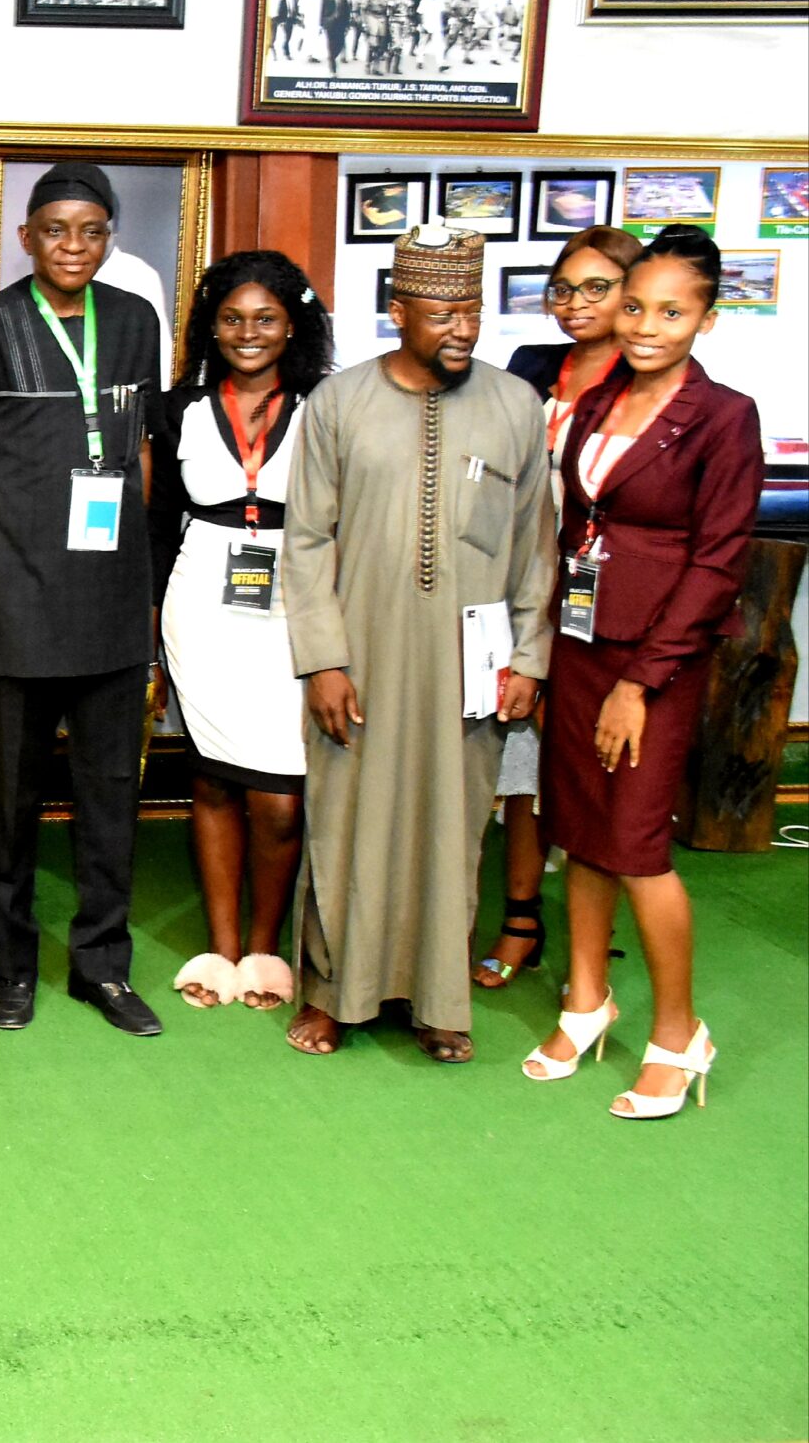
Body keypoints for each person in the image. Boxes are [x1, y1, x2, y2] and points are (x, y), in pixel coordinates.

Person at [282, 227, 555, 1063]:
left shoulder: (516, 405)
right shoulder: (339, 403)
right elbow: (307, 541)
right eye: (442, 313)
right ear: (397, 312)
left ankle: (439, 1000)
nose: (461, 329)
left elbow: (535, 543)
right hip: (361, 656)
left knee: (452, 825)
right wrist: (323, 660)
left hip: (469, 666)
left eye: (471, 310)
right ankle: (334, 994)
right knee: (346, 821)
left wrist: (531, 657)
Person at [524, 228, 762, 1119]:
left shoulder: (725, 416)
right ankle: (586, 1001)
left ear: (707, 318)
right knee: (580, 827)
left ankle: (678, 1034)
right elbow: (573, 526)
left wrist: (641, 680)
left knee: (635, 845)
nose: (646, 326)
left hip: (654, 658)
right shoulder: (597, 398)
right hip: (580, 640)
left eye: (671, 312)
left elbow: (719, 562)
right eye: (634, 307)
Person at [0, 160, 162, 1038]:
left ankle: (103, 968)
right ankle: (15, 968)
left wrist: (142, 577)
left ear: (109, 239)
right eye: (56, 230)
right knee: (13, 802)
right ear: (26, 237)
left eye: (91, 231)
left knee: (111, 800)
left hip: (111, 601)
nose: (74, 246)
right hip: (17, 603)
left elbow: (137, 450)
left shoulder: (134, 321)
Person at [148, 252, 332, 1012]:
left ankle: (266, 944)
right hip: (200, 600)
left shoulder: (327, 405)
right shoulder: (177, 410)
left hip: (297, 602)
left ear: (293, 325)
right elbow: (160, 520)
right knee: (215, 777)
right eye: (231, 319)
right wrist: (149, 623)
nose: (247, 333)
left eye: (264, 319)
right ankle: (223, 950)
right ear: (210, 327)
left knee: (280, 795)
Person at [477, 224, 641, 990]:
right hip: (520, 582)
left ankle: (591, 941)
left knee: (588, 772)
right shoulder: (532, 367)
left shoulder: (650, 376)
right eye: (563, 289)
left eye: (596, 288)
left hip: (604, 593)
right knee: (523, 762)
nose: (575, 303)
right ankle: (521, 920)